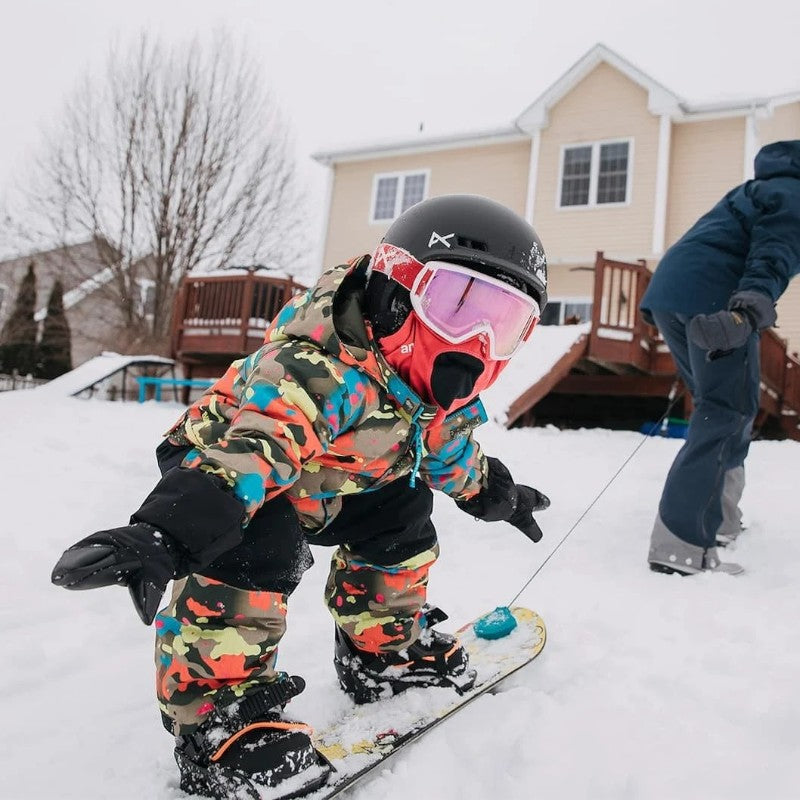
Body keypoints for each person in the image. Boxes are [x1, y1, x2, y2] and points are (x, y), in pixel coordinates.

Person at [51, 195, 552, 798]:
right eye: (455, 304)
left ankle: (383, 649)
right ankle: (219, 715)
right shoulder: (315, 370)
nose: (475, 340)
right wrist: (167, 533)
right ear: (394, 292)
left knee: (404, 509)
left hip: (334, 484)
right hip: (223, 472)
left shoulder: (431, 398)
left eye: (504, 324)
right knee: (258, 543)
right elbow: (256, 450)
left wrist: (502, 497)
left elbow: (452, 458)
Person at [641, 140, 800, 576]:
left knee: (727, 408)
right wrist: (747, 310)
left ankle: (721, 520)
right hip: (714, 299)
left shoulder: (760, 189)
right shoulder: (792, 194)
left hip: (672, 295)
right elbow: (772, 254)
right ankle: (681, 546)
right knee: (726, 411)